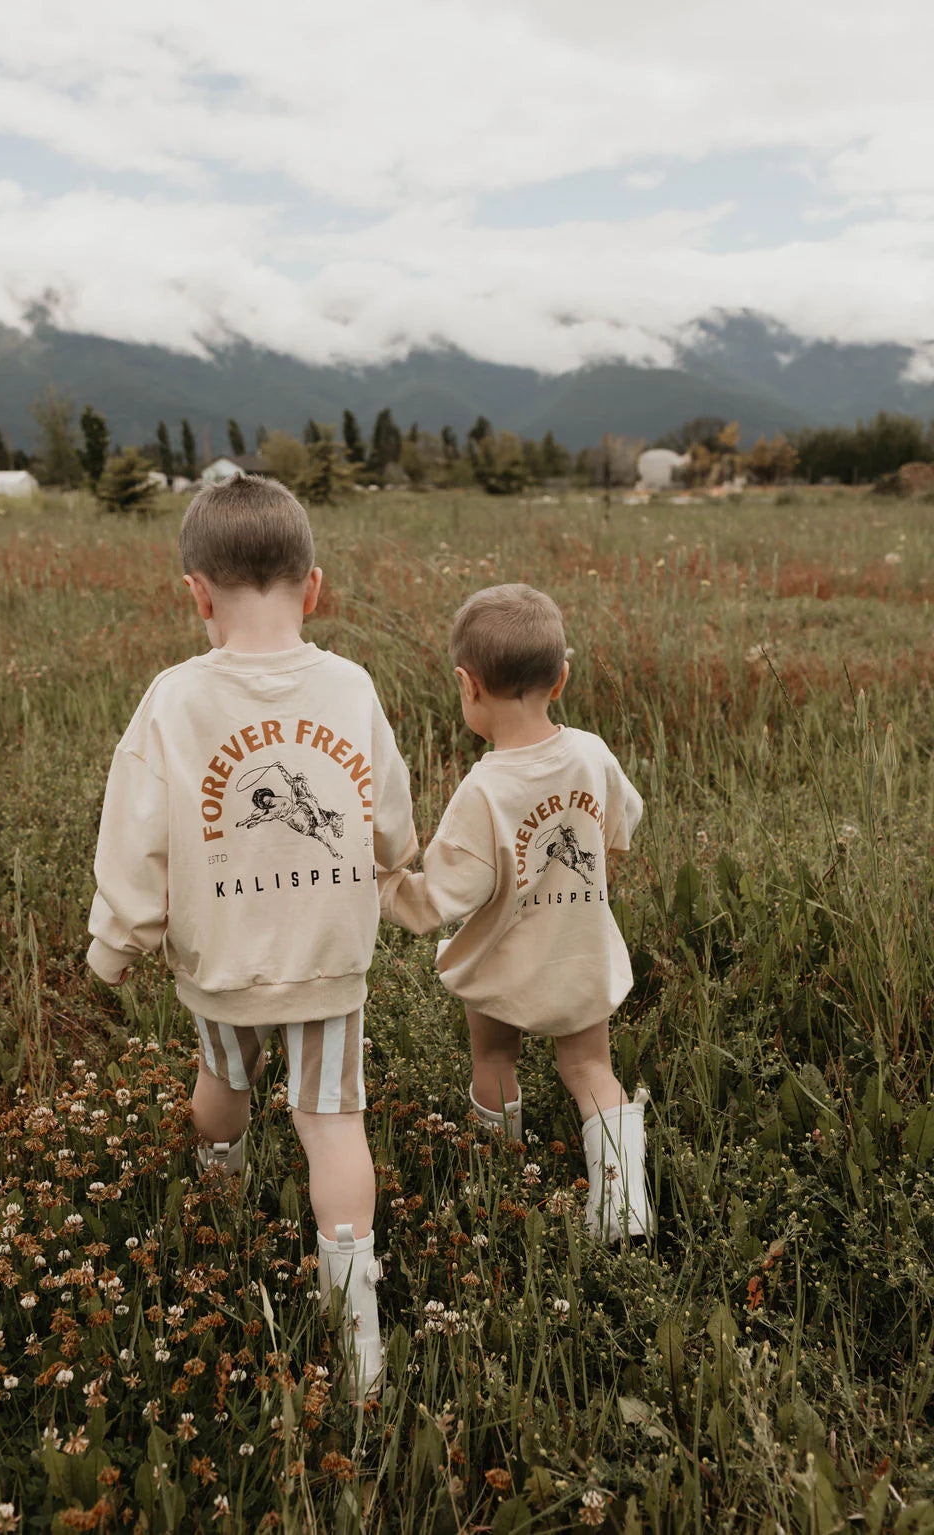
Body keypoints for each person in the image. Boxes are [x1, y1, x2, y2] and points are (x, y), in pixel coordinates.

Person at [86, 473, 417, 1395]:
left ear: (196, 592)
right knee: (333, 1125)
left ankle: (217, 1210)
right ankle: (361, 1343)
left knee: (223, 1081)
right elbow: (385, 804)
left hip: (222, 959)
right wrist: (397, 860)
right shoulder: (350, 685)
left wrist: (118, 939)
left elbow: (136, 828)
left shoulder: (174, 698)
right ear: (314, 585)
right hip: (325, 960)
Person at [381, 583, 652, 1243]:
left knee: (495, 1057)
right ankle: (624, 1209)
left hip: (503, 958)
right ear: (561, 678)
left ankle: (498, 1185)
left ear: (467, 685)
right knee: (590, 1068)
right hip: (581, 946)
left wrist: (383, 882)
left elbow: (442, 896)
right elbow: (623, 824)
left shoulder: (486, 788)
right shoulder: (592, 752)